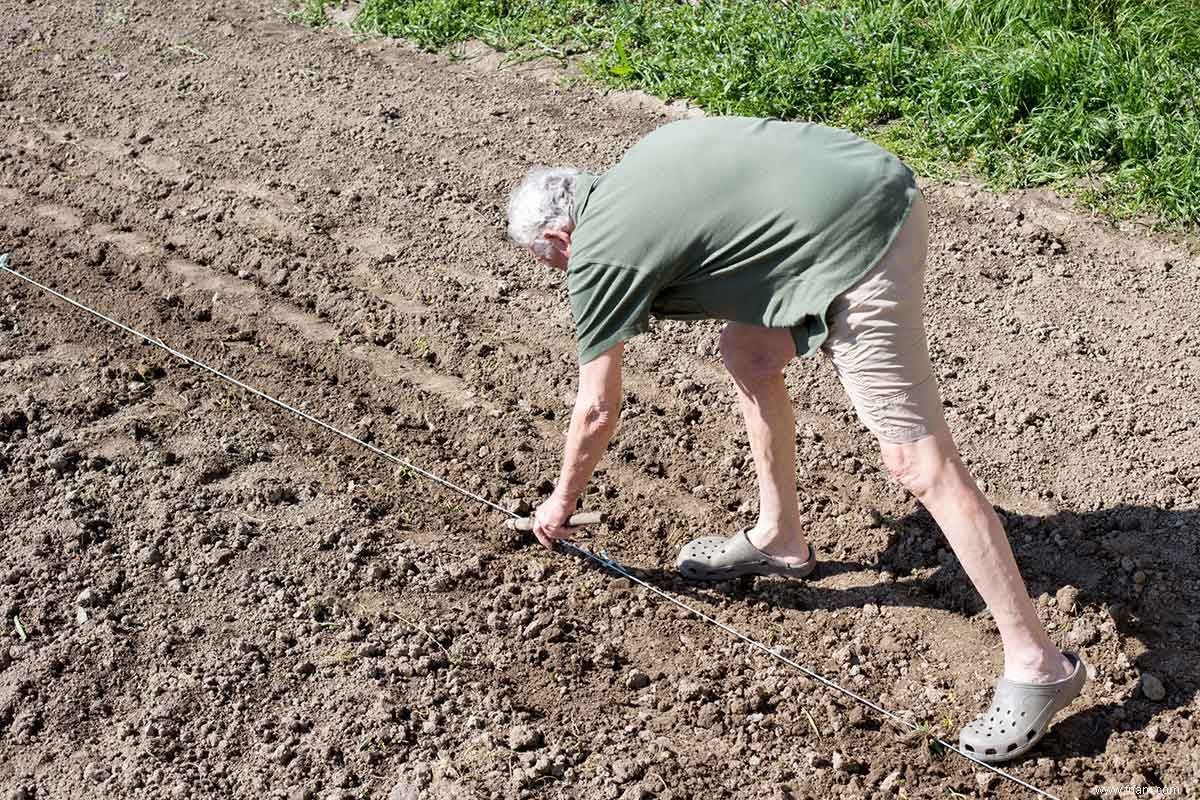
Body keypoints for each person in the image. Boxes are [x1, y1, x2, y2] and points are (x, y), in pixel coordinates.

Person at [504, 116, 1086, 763]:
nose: (563, 275)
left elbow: (595, 411)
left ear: (560, 236)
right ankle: (781, 539)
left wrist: (559, 502)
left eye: (552, 263)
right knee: (748, 349)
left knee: (918, 463)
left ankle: (1040, 666)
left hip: (866, 236)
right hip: (868, 184)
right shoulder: (640, 163)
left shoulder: (599, 248)